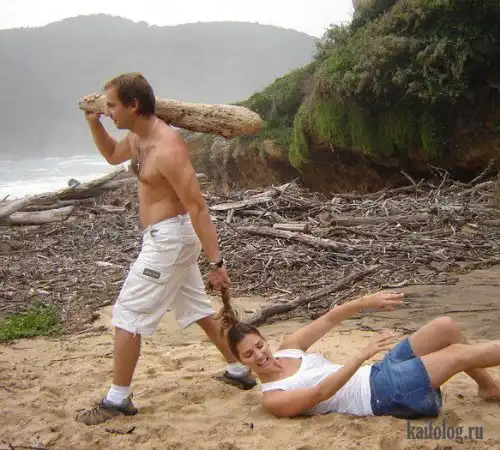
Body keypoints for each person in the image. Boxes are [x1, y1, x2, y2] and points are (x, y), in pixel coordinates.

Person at [76, 72, 255, 426]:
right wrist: (93, 122)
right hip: (168, 239)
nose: (108, 111)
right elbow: (112, 154)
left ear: (133, 105)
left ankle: (117, 400)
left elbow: (198, 206)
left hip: (169, 241)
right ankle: (238, 370)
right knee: (199, 310)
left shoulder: (168, 149)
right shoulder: (138, 136)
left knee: (127, 315)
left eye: (112, 106)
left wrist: (217, 262)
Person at [219, 289, 500, 419]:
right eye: (249, 355)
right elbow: (319, 393)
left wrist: (366, 301)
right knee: (457, 354)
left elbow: (330, 318)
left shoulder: (290, 347)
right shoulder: (273, 398)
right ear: (242, 363)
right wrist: (359, 357)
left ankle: (488, 387)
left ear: (265, 341)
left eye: (259, 346)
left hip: (377, 371)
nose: (259, 355)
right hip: (380, 394)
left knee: (445, 326)